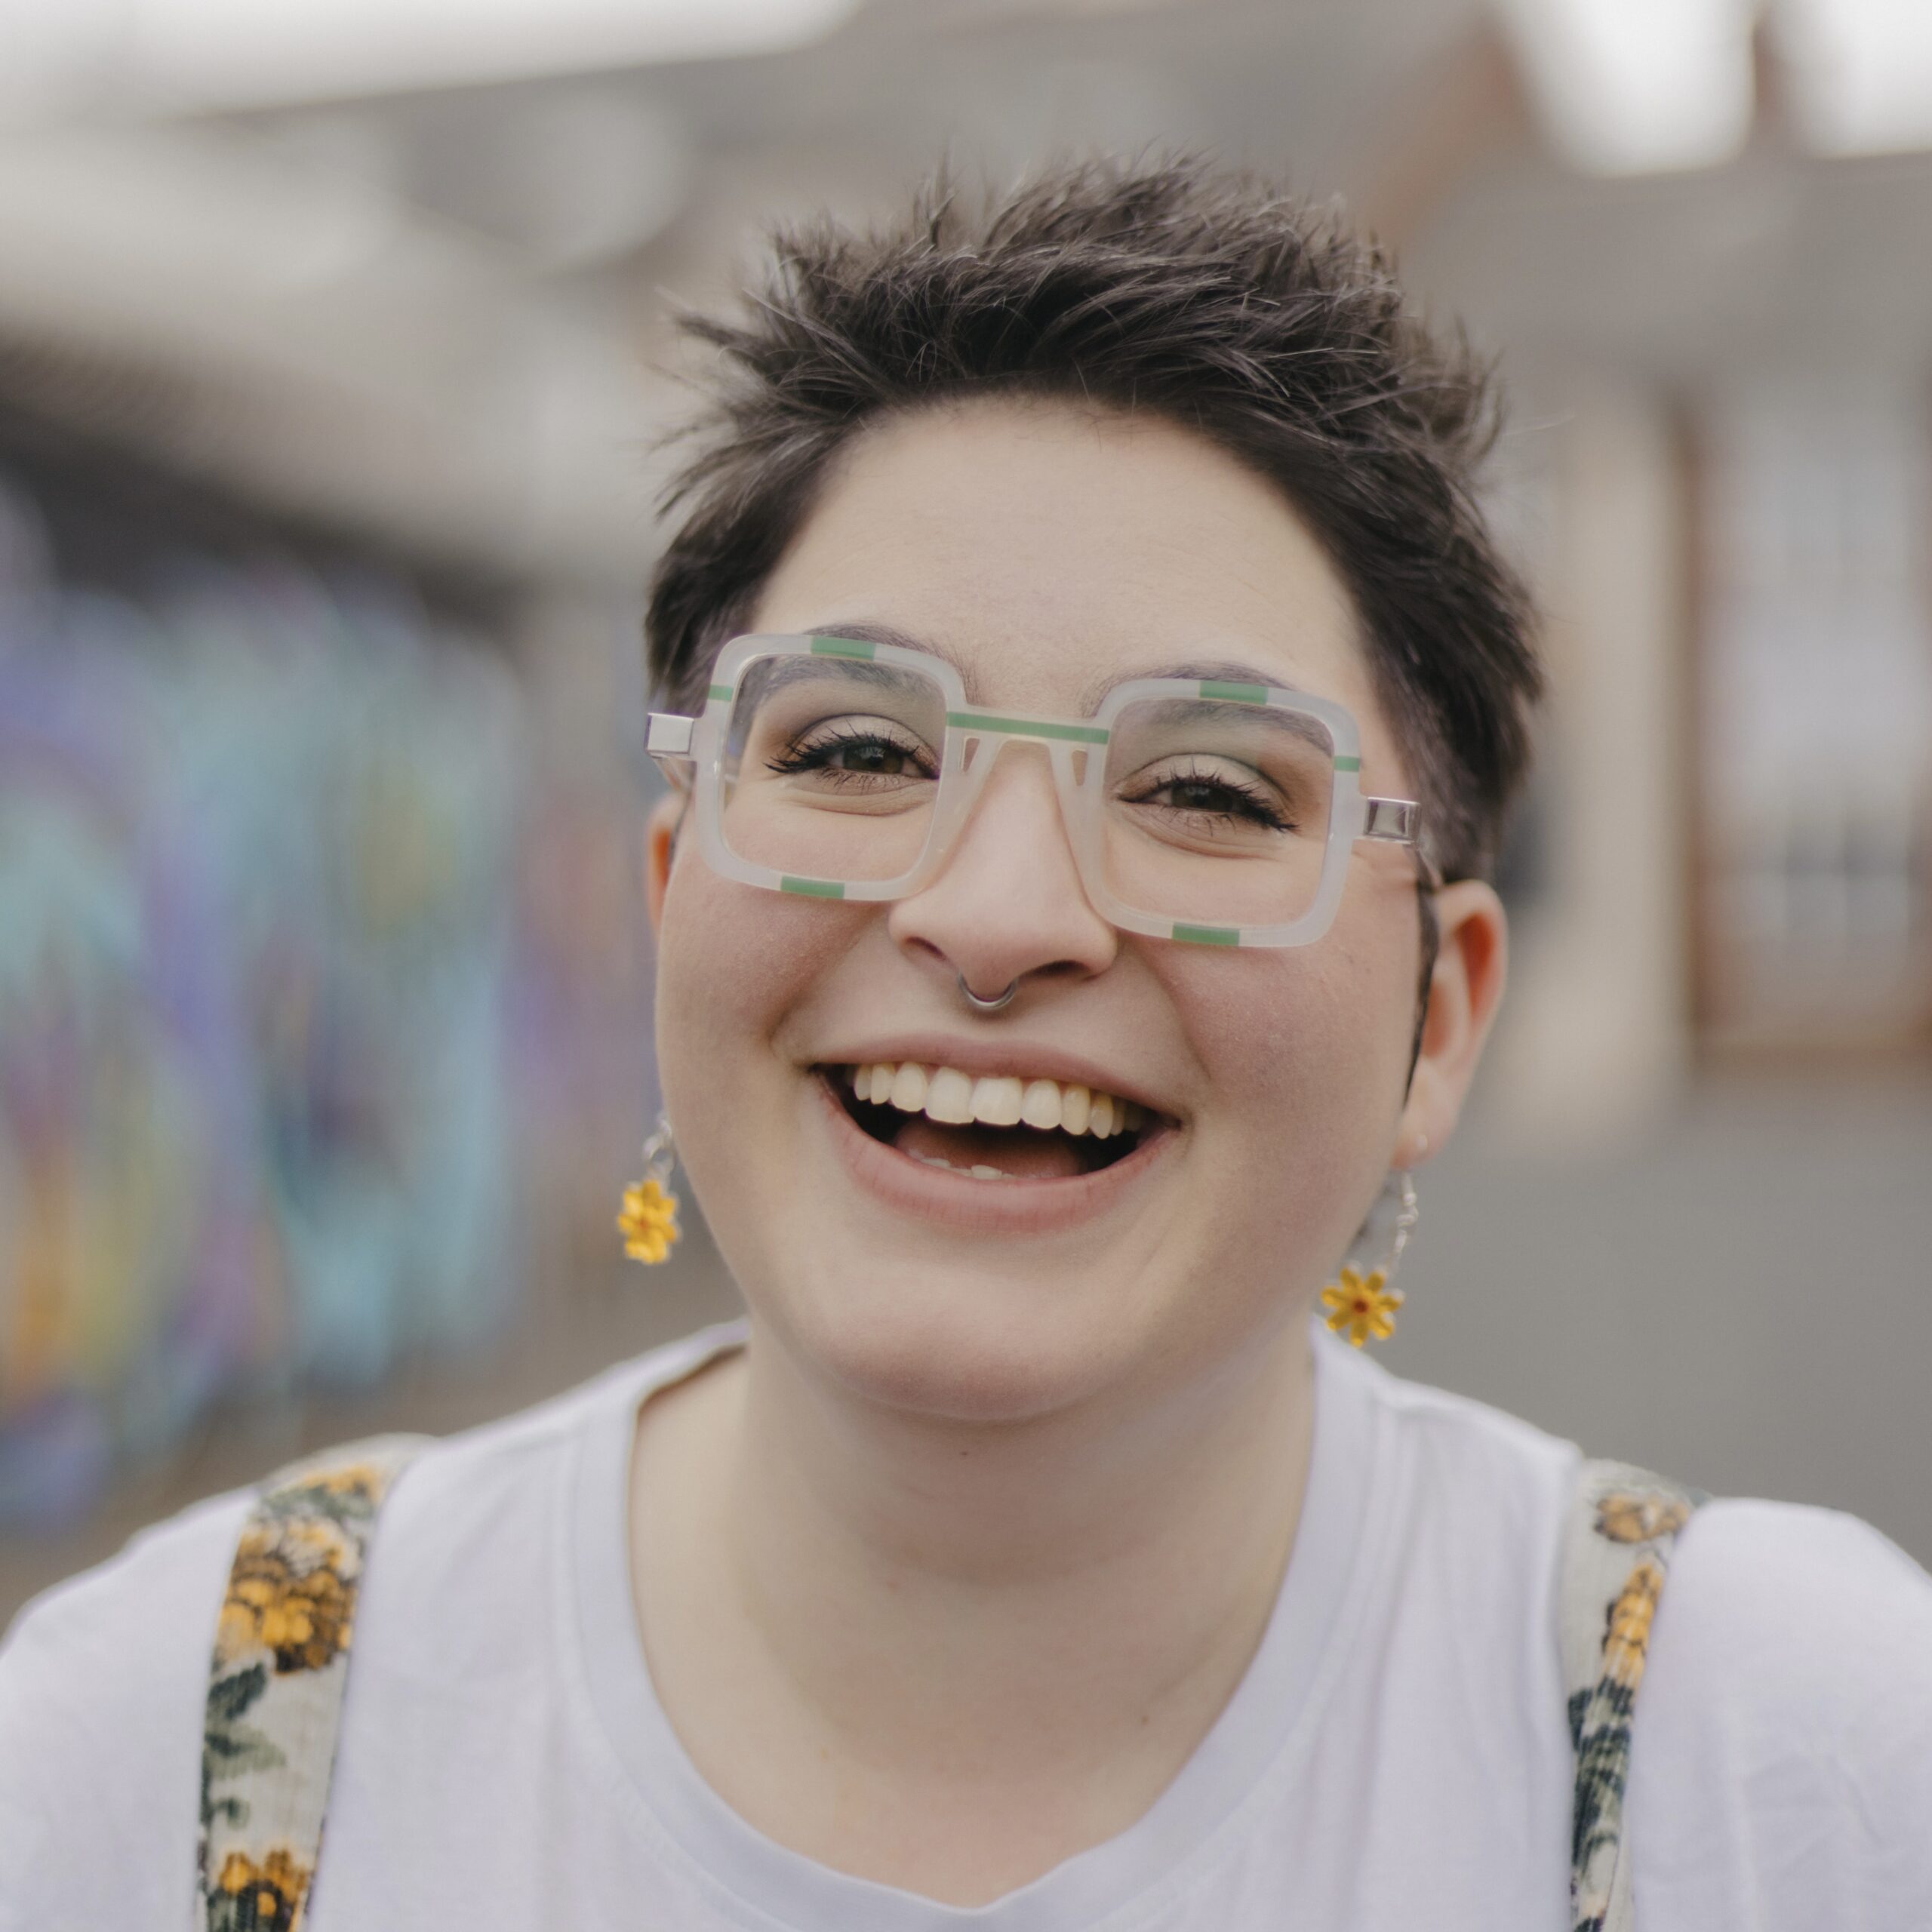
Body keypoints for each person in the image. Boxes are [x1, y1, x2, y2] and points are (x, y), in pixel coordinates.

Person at [4, 156, 1930, 1932]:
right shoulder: (169, 1758)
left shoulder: (1774, 1772)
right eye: (854, 749)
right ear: (670, 884)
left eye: (1202, 789)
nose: (996, 916)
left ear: (1438, 1017)